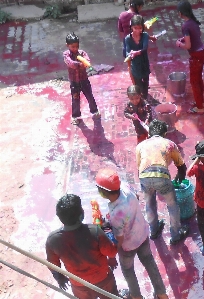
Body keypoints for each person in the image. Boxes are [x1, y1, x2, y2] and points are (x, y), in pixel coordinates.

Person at [95, 168, 169, 299]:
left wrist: (112, 254)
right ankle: (162, 295)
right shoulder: (125, 187)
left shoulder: (117, 214)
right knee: (150, 263)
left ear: (104, 192)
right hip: (142, 234)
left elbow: (120, 238)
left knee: (128, 270)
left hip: (128, 246)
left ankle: (136, 297)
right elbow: (137, 196)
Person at [45, 194, 120, 299]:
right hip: (103, 279)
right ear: (81, 214)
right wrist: (110, 235)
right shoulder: (95, 231)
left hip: (79, 284)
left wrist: (60, 278)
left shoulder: (52, 240)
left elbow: (52, 265)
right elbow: (111, 251)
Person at [136, 119, 189, 244]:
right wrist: (180, 175)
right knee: (172, 205)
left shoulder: (140, 146)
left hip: (144, 177)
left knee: (149, 204)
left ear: (149, 134)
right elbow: (181, 165)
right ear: (165, 134)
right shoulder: (169, 144)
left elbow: (140, 166)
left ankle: (154, 231)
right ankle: (176, 234)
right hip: (162, 177)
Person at [176, 0, 204, 115]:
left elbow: (188, 45)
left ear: (180, 13)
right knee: (198, 79)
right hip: (202, 52)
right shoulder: (194, 22)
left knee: (194, 82)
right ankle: (201, 102)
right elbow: (198, 35)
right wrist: (184, 39)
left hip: (196, 56)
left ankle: (200, 107)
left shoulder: (185, 26)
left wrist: (180, 44)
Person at [63, 32, 101, 125]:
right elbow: (70, 63)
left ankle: (94, 111)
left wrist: (85, 62)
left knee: (90, 96)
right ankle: (76, 116)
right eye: (72, 47)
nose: (75, 49)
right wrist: (80, 63)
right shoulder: (66, 55)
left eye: (76, 46)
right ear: (67, 45)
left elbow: (87, 60)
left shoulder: (82, 53)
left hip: (84, 80)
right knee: (75, 99)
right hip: (74, 82)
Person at [125, 15, 151, 99]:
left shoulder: (145, 35)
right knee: (138, 85)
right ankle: (141, 99)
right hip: (135, 66)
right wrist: (130, 54)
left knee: (146, 83)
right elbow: (127, 52)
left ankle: (145, 97)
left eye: (140, 28)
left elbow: (145, 48)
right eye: (135, 28)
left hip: (144, 64)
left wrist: (136, 53)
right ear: (131, 27)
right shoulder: (128, 39)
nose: (137, 30)